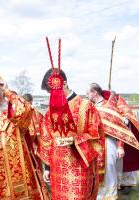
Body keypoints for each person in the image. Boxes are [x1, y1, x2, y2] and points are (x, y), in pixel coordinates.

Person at [39, 68, 105, 200]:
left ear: (64, 84)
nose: (52, 95)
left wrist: (76, 140)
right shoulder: (50, 110)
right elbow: (46, 138)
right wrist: (47, 167)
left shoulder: (86, 106)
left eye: (53, 91)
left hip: (79, 167)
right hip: (57, 169)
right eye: (49, 93)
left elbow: (97, 137)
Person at [87, 83, 139, 195]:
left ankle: (110, 194)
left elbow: (120, 129)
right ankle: (99, 194)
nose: (87, 96)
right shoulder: (92, 108)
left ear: (95, 92)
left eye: (88, 93)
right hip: (95, 144)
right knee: (95, 170)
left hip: (108, 142)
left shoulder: (109, 107)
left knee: (109, 169)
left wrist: (120, 147)